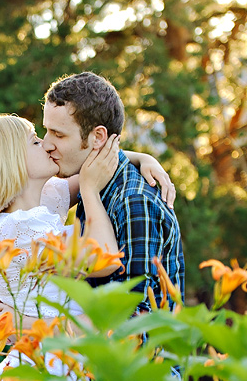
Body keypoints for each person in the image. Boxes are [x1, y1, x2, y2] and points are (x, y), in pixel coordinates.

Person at [0, 113, 173, 381]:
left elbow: (95, 167)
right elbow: (105, 258)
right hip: (47, 368)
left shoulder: (33, 203)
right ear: (12, 163)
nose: (46, 145)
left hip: (56, 355)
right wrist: (90, 192)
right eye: (34, 142)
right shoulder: (21, 229)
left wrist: (142, 158)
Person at [41, 71, 185, 312]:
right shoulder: (92, 185)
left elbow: (136, 323)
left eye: (58, 134)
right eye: (46, 130)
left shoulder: (134, 202)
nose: (46, 144)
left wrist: (32, 326)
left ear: (98, 137)